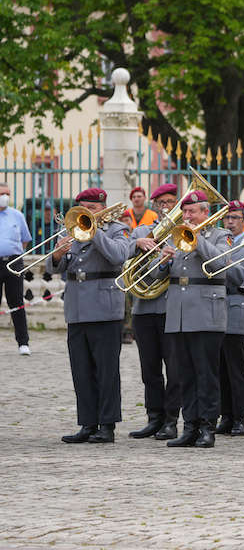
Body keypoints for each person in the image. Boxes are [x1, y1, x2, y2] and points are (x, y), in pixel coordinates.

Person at [46, 188, 130, 443]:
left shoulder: (117, 229)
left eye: (91, 209)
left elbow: (118, 256)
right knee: (81, 370)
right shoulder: (70, 228)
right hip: (77, 308)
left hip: (104, 308)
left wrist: (94, 232)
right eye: (83, 208)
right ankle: (87, 423)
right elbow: (54, 267)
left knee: (106, 371)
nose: (86, 213)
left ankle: (107, 425)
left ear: (102, 207)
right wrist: (57, 254)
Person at [154, 190, 232, 448]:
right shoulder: (175, 236)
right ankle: (189, 426)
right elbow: (157, 276)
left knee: (206, 373)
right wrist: (163, 262)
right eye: (185, 212)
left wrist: (196, 238)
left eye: (192, 212)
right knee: (183, 374)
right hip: (179, 313)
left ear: (205, 213)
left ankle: (208, 426)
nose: (186, 216)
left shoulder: (221, 235)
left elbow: (221, 263)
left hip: (206, 313)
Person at [128, 183, 181, 440]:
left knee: (174, 367)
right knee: (149, 368)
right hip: (143, 307)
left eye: (170, 202)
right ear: (155, 205)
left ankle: (171, 420)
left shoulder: (181, 233)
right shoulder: (141, 230)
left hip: (170, 307)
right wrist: (137, 244)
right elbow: (123, 259)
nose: (165, 207)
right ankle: (154, 417)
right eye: (161, 203)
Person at [215, 200, 244, 437]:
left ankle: (240, 416)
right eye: (227, 218)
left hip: (236, 306)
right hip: (216, 308)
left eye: (235, 218)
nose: (230, 222)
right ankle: (225, 414)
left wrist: (227, 263)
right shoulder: (218, 241)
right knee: (220, 366)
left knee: (236, 367)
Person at [0, 181, 33, 356]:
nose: (4, 197)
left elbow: (25, 239)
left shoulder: (17, 215)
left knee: (17, 303)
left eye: (7, 194)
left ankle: (23, 342)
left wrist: (15, 253)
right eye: (1, 194)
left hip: (13, 262)